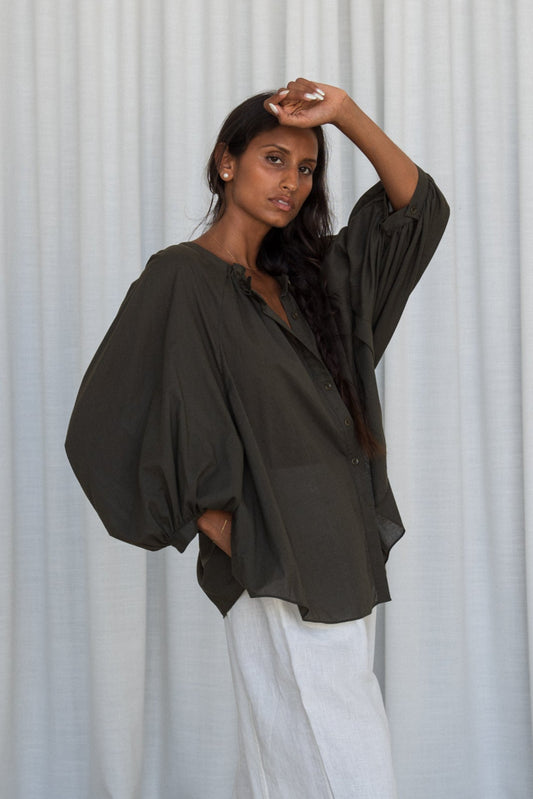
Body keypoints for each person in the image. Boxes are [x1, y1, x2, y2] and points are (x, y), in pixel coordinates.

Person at [65, 77, 449, 798]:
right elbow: (102, 426)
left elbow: (417, 209)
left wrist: (343, 113)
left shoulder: (312, 280)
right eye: (274, 159)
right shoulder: (180, 279)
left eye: (306, 170)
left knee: (301, 761)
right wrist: (218, 524)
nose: (293, 183)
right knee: (341, 765)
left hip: (338, 544)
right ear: (226, 162)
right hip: (272, 554)